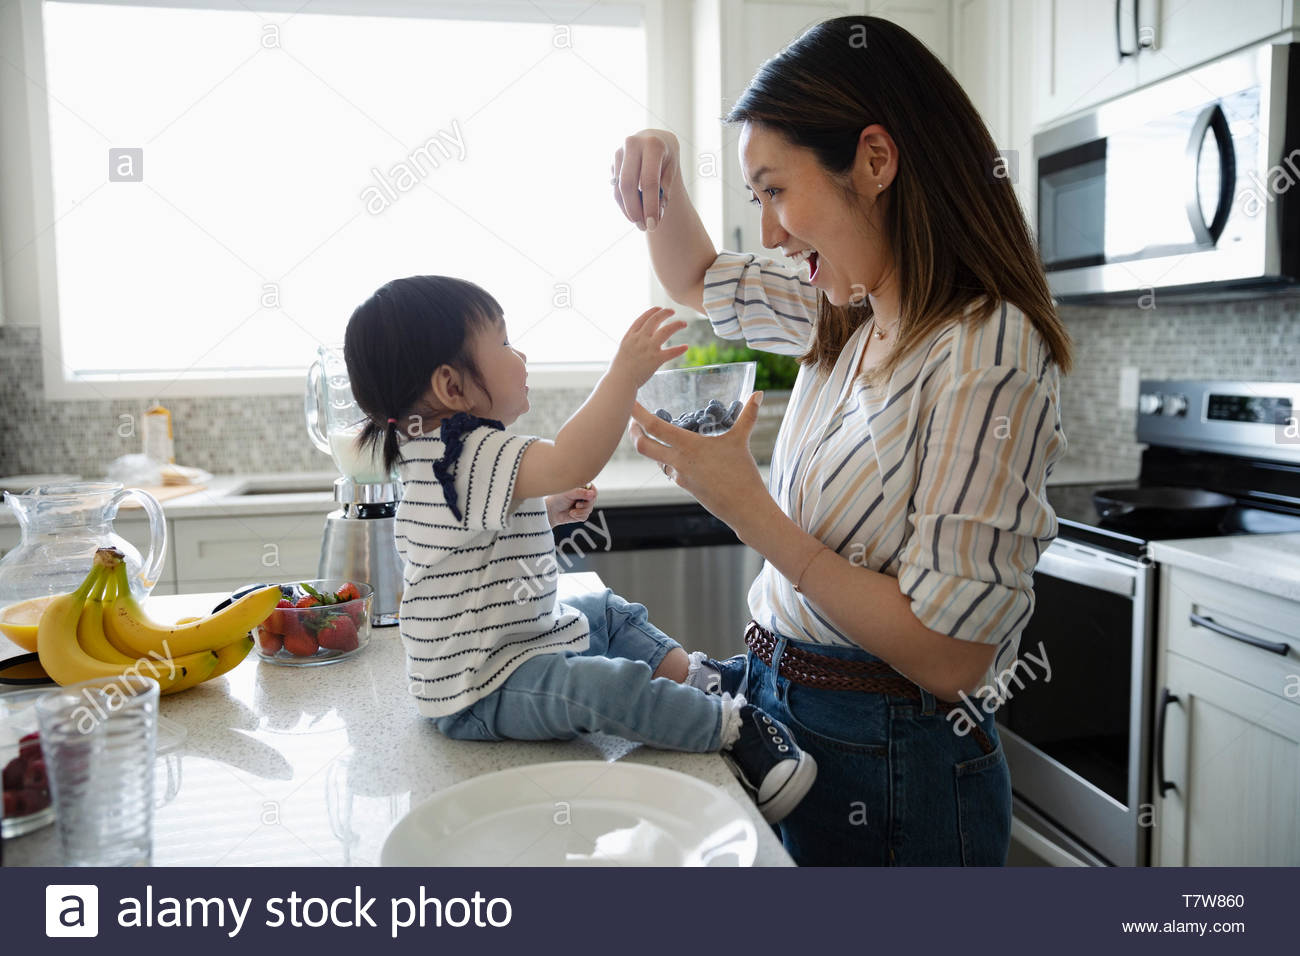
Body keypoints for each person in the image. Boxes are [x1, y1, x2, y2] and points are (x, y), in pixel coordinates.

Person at [612, 15, 1073, 865]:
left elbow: (951, 657)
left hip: (894, 764)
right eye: (758, 199)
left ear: (875, 159)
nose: (773, 233)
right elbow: (696, 278)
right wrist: (661, 171)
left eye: (776, 190)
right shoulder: (848, 306)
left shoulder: (986, 348)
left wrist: (750, 510)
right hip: (790, 712)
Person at [342, 274, 818, 824]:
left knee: (606, 614)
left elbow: (469, 540)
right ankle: (731, 728)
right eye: (502, 343)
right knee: (598, 687)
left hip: (505, 647)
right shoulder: (464, 449)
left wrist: (541, 510)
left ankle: (696, 678)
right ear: (453, 388)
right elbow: (573, 456)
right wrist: (624, 375)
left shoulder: (436, 454)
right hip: (481, 687)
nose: (520, 355)